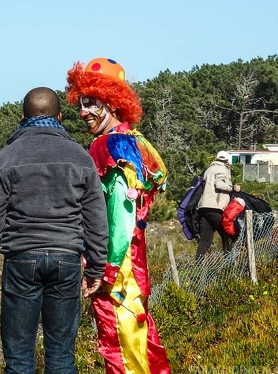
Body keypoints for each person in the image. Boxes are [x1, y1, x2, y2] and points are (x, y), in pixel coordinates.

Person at [0, 87, 108, 374]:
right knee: (61, 359)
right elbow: (96, 218)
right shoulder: (80, 157)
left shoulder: (6, 158)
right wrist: (96, 267)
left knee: (19, 360)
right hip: (66, 258)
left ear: (23, 117)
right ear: (60, 117)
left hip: (21, 259)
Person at [65, 58, 171, 374]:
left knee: (122, 348)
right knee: (139, 344)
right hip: (132, 264)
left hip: (119, 268)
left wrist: (106, 268)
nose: (83, 111)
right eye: (81, 103)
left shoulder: (111, 147)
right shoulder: (136, 142)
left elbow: (121, 217)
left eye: (91, 103)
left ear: (112, 102)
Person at [195, 150, 241, 259]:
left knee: (205, 240)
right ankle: (228, 262)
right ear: (226, 160)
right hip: (215, 208)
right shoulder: (222, 169)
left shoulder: (209, 169)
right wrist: (233, 188)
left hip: (203, 208)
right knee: (228, 235)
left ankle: (198, 265)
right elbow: (219, 184)